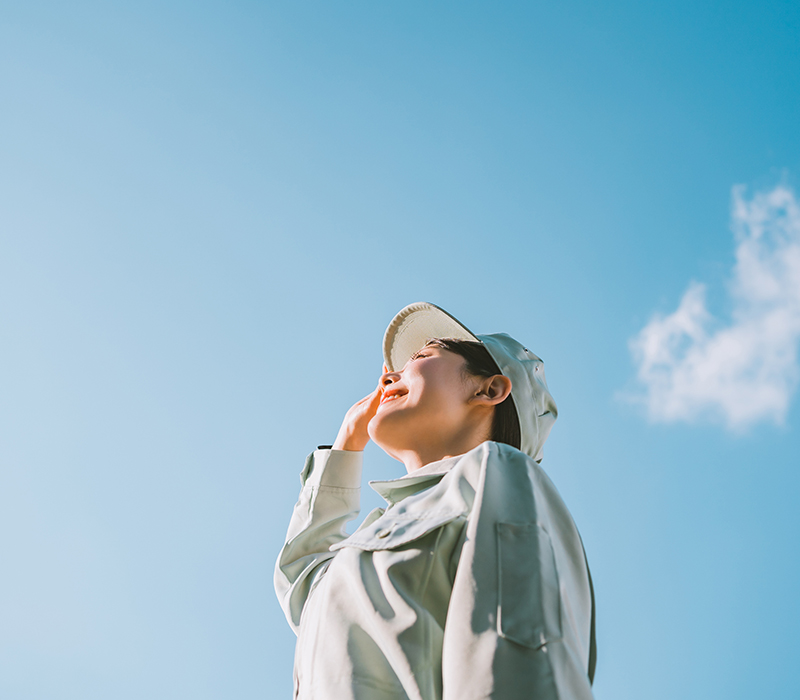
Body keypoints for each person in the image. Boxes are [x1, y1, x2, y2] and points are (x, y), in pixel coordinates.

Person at [275, 302, 596, 700]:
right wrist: (347, 442)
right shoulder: (377, 532)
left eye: (423, 357)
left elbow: (518, 654)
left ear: (489, 389)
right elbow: (303, 587)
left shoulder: (497, 475)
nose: (390, 374)